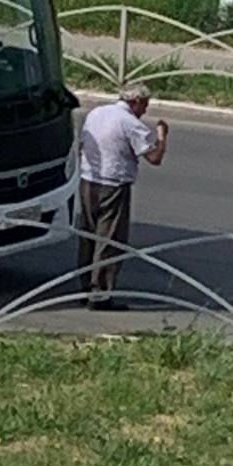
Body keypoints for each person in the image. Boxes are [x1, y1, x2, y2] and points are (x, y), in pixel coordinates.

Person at [77, 83, 168, 311]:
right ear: (135, 101)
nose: (145, 111)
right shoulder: (130, 123)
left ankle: (85, 287)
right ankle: (100, 295)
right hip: (113, 185)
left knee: (88, 234)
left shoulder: (96, 113)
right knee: (109, 239)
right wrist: (161, 136)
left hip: (88, 180)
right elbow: (154, 157)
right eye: (144, 105)